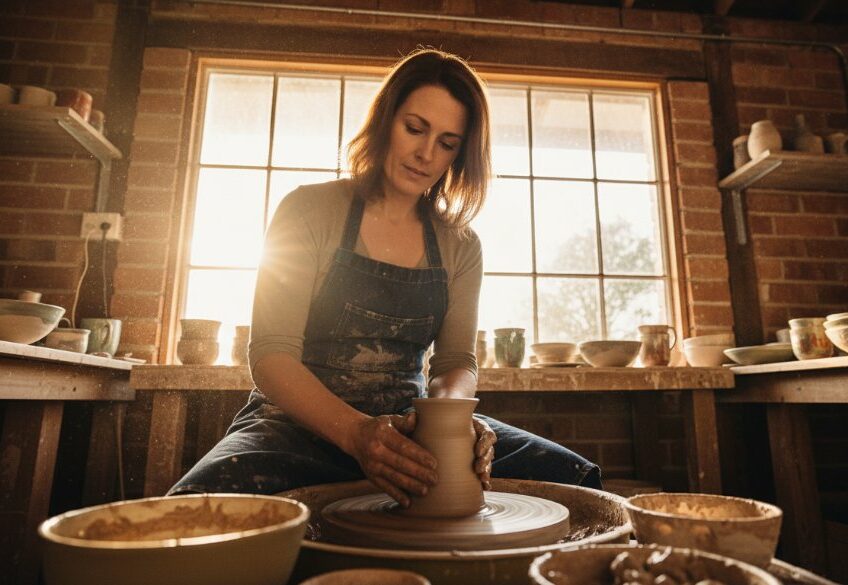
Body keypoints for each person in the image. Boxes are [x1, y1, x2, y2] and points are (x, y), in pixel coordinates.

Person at [169, 49, 602, 505]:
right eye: (414, 128)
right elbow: (271, 355)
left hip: (409, 427)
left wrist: (451, 419)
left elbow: (456, 362)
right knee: (192, 510)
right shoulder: (308, 210)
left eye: (447, 142)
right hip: (295, 425)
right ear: (385, 120)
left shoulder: (461, 245)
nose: (425, 154)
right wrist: (357, 433)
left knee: (573, 480)